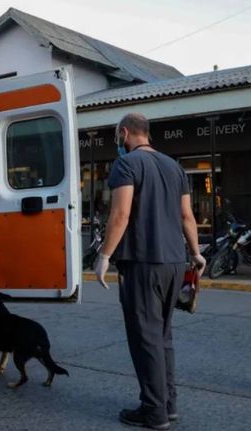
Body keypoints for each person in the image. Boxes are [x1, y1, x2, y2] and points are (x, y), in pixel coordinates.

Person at [95, 113, 206, 430]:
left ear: (125, 133)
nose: (118, 141)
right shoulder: (174, 166)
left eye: (118, 136)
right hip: (174, 262)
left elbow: (121, 214)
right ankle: (167, 404)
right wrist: (196, 253)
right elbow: (187, 216)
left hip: (143, 262)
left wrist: (104, 256)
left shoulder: (126, 164)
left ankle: (153, 411)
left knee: (145, 338)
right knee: (162, 336)